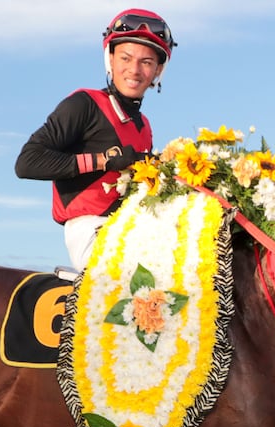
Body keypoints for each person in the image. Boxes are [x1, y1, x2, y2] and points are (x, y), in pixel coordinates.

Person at [15, 8, 175, 273]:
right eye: (125, 58)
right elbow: (27, 162)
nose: (134, 70)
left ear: (158, 70)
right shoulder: (84, 104)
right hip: (90, 229)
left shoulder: (144, 126)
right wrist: (104, 160)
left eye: (146, 62)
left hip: (131, 227)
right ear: (110, 60)